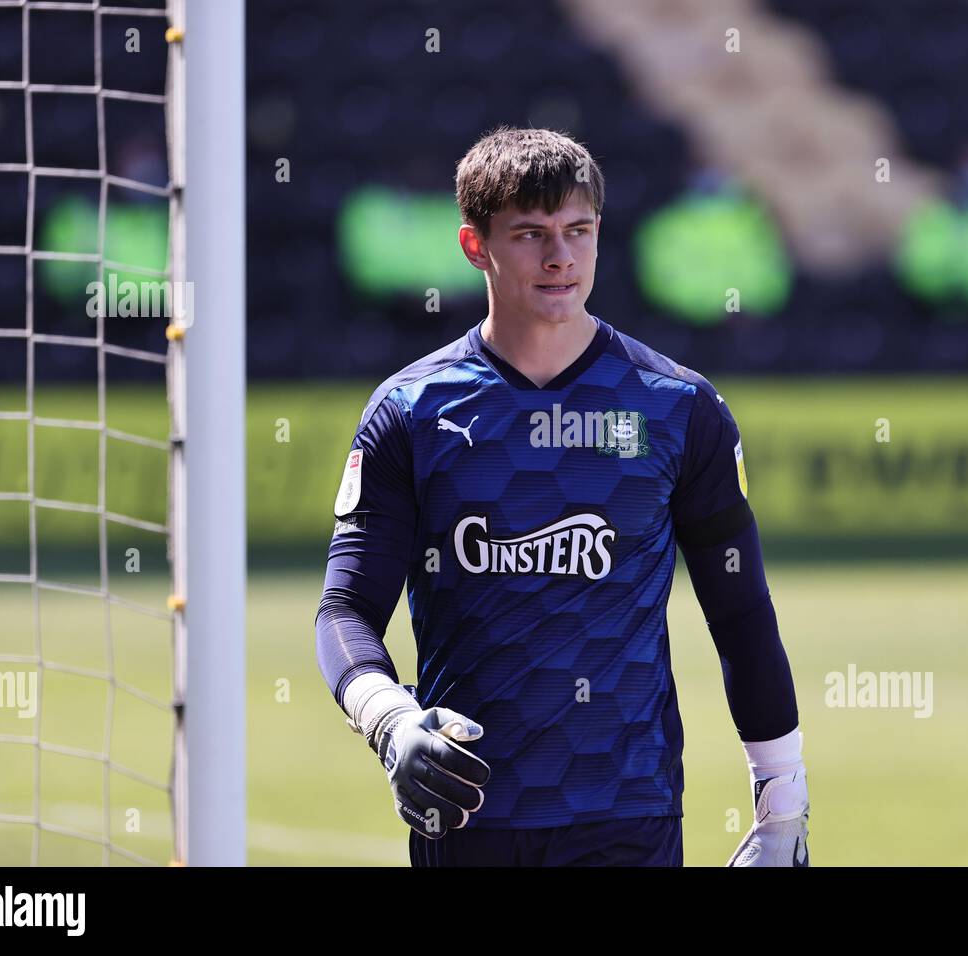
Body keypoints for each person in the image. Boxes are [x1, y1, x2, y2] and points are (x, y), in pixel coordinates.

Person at [315, 126, 808, 867]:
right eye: (530, 233)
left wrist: (783, 805)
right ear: (474, 246)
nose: (560, 256)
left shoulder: (679, 408)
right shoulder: (411, 413)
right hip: (468, 814)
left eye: (578, 231)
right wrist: (389, 721)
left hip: (629, 816)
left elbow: (740, 613)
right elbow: (345, 611)